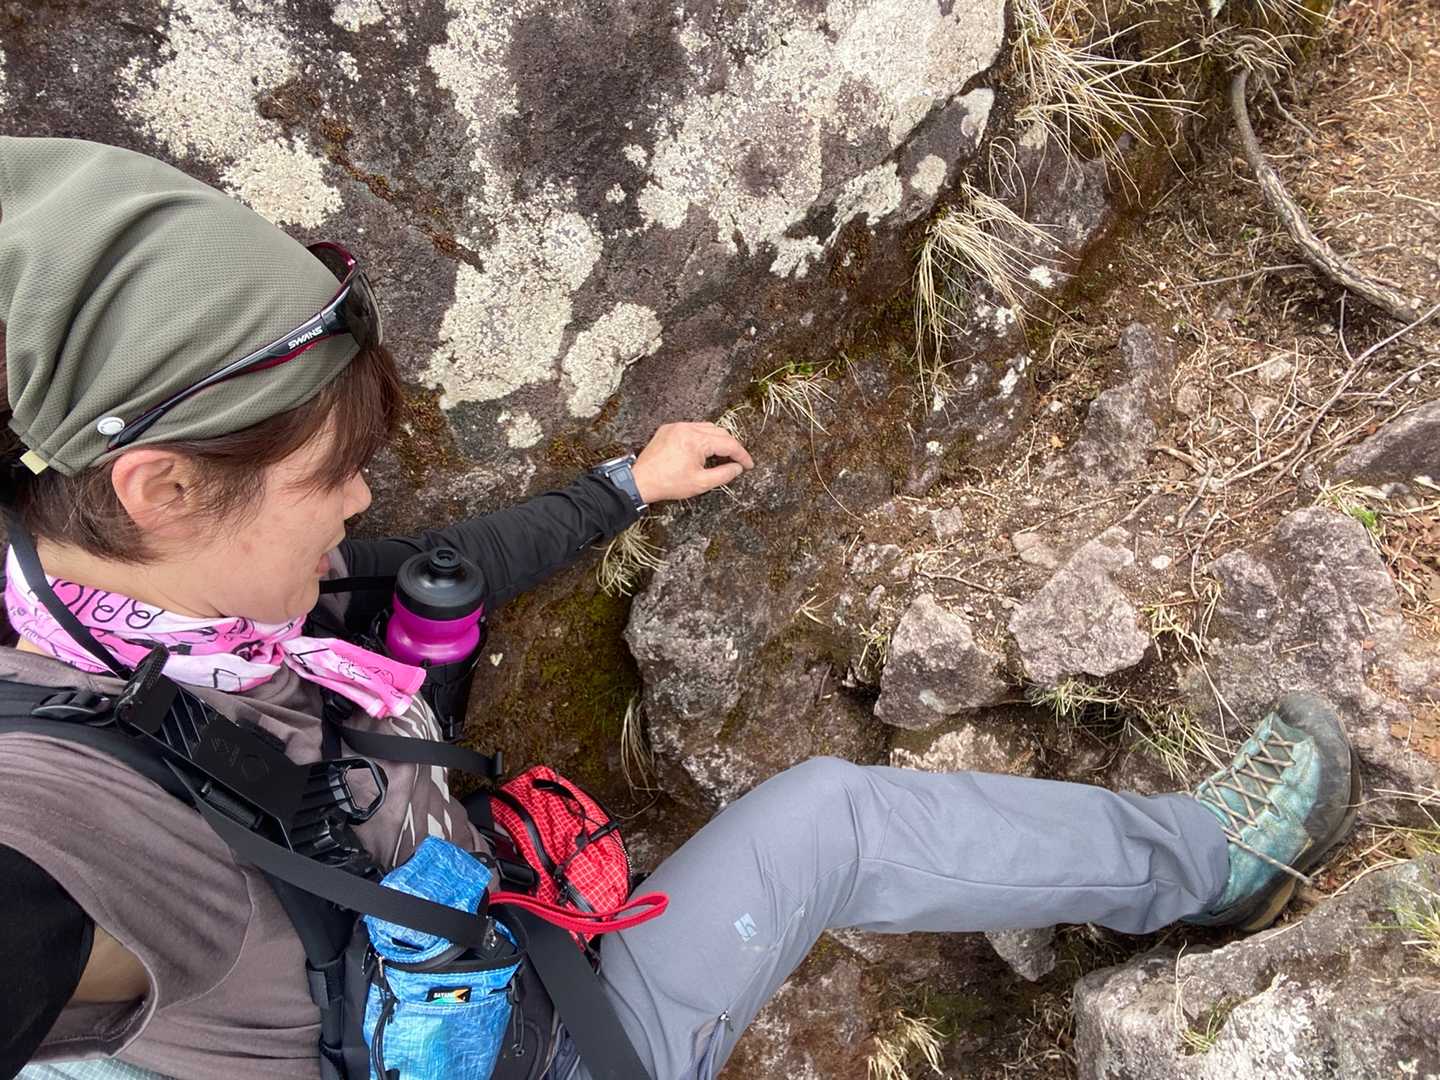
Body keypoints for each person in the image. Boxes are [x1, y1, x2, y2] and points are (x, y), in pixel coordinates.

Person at [0, 137, 1359, 1080]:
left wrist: (622, 489)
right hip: (562, 1047)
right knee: (834, 818)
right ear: (161, 487)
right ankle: (1212, 862)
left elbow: (426, 568)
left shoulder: (141, 607)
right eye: (330, 475)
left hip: (497, 964)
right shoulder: (59, 819)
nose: (357, 502)